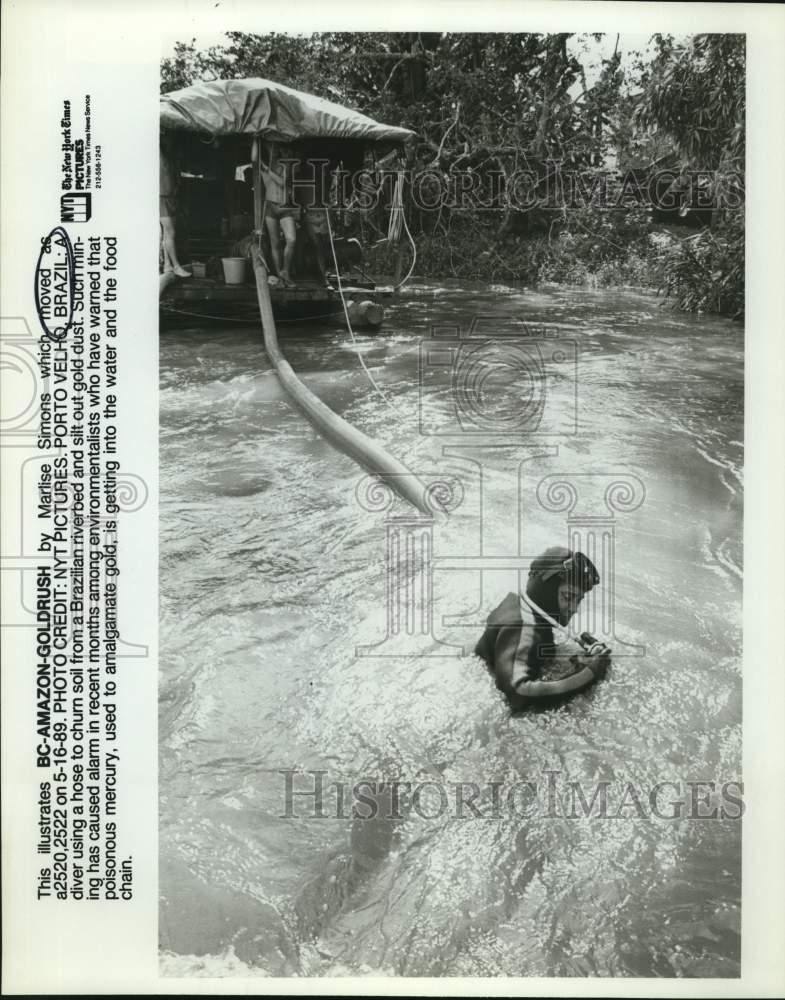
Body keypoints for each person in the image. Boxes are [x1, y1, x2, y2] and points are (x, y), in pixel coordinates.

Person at [475, 546, 610, 708]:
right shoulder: (524, 627)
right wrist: (588, 673)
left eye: (578, 600)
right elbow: (519, 692)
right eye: (568, 597)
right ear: (545, 591)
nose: (574, 609)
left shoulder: (520, 605)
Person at [259, 144, 299, 287]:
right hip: (270, 206)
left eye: (276, 149)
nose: (273, 151)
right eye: (271, 148)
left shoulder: (285, 164)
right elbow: (254, 156)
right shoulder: (262, 165)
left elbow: (282, 182)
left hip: (284, 207)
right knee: (275, 243)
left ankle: (285, 271)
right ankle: (280, 277)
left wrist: (268, 170)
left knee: (291, 240)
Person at [159, 136, 190, 278]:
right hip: (161, 198)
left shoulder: (171, 159)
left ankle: (167, 265)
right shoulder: (158, 155)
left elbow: (175, 178)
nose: (169, 141)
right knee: (170, 232)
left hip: (171, 198)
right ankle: (176, 266)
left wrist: (176, 186)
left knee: (167, 233)